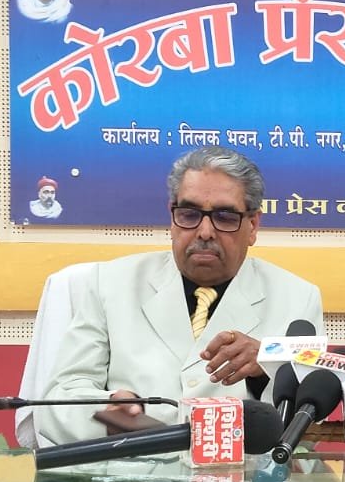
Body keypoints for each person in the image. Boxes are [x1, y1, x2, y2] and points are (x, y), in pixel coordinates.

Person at [34, 146, 322, 446]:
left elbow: (308, 419)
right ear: (172, 219)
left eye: (224, 217)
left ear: (252, 225)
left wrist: (267, 368)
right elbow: (58, 401)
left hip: (244, 472)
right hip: (132, 469)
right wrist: (108, 412)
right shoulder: (109, 283)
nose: (205, 232)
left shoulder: (297, 297)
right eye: (189, 214)